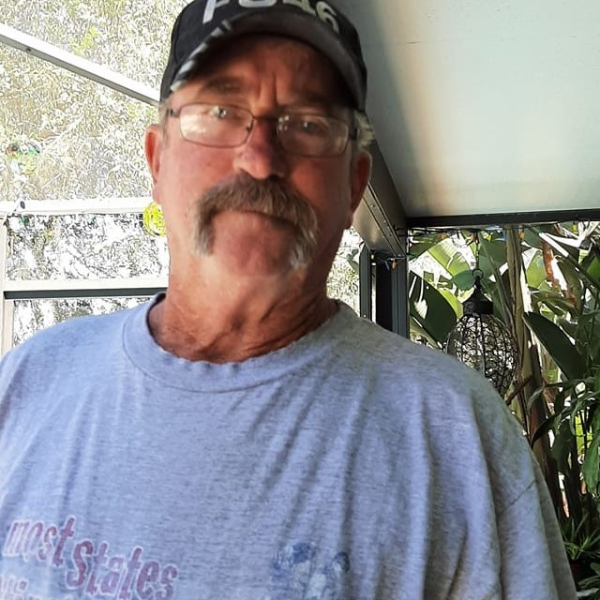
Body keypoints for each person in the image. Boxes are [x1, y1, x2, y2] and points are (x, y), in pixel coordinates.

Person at [0, 1, 577, 598]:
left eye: (308, 124)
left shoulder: (457, 442)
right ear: (157, 160)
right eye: (220, 112)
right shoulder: (27, 385)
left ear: (353, 184)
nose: (260, 159)